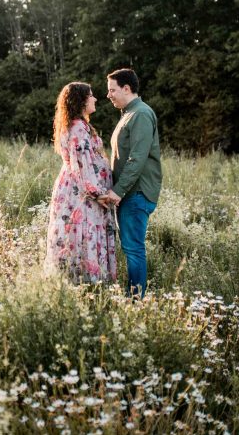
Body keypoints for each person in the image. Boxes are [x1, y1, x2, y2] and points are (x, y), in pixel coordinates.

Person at [98, 68, 162, 298]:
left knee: (134, 250)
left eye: (112, 90)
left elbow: (137, 158)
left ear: (127, 89)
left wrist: (118, 191)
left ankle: (136, 301)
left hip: (136, 193)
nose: (108, 95)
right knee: (130, 248)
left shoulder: (141, 114)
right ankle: (134, 298)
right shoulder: (129, 114)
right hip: (129, 193)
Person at [45, 81, 118, 283]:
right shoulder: (77, 128)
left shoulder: (79, 125)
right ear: (81, 101)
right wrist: (98, 194)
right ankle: (86, 284)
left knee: (79, 236)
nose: (95, 98)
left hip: (79, 190)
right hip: (82, 195)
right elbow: (82, 166)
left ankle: (82, 283)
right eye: (91, 95)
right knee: (82, 234)